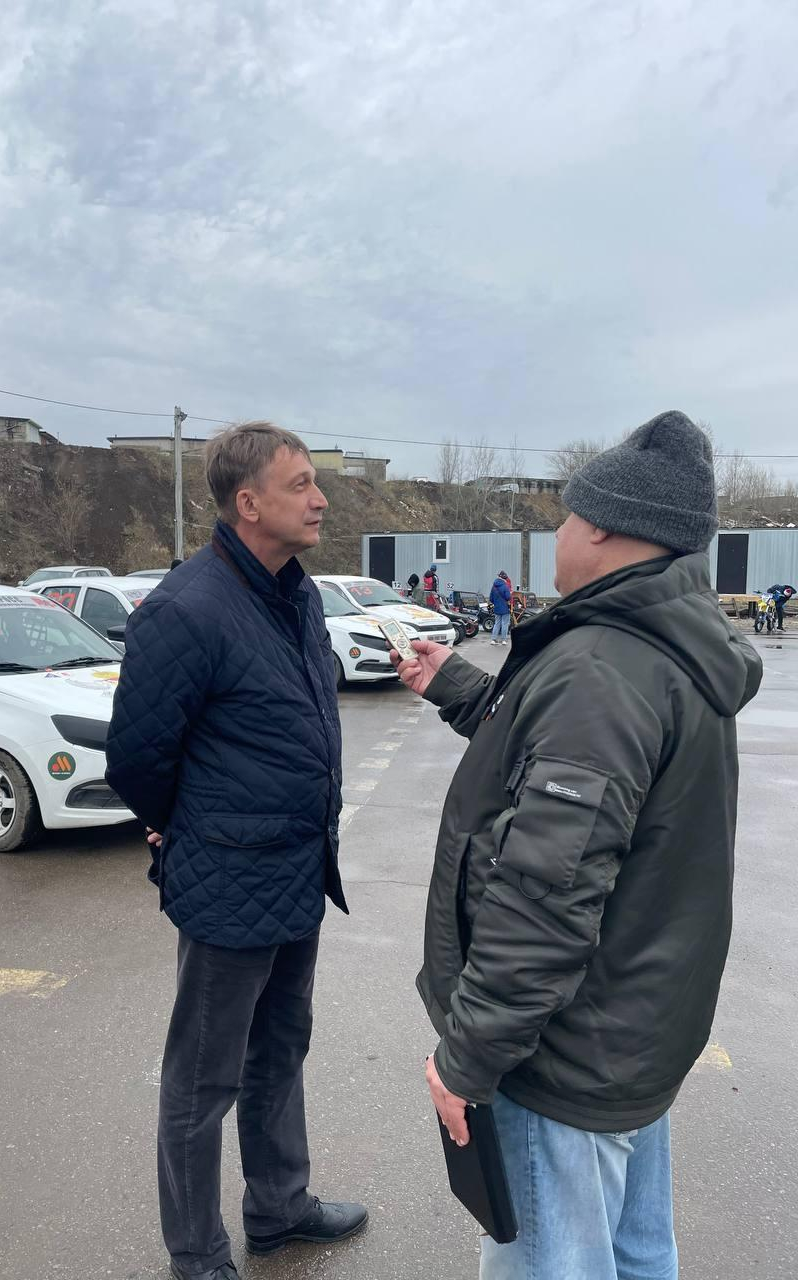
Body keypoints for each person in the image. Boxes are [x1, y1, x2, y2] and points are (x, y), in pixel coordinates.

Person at [390, 411, 762, 1280]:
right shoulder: (663, 648)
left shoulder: (600, 670)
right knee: (635, 1257)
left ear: (601, 526)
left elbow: (543, 897)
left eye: (565, 515)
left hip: (561, 1057)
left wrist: (468, 1059)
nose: (557, 533)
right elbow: (573, 777)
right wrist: (459, 688)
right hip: (632, 1034)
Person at [105, 422, 367, 1280]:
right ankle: (197, 1254)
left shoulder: (298, 594)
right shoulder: (185, 608)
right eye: (300, 485)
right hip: (227, 879)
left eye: (316, 483)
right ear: (248, 503)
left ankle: (279, 1209)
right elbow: (137, 757)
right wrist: (183, 824)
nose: (319, 500)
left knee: (280, 1049)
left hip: (297, 869)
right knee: (201, 1080)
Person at [488, 571, 512, 645]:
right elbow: (508, 597)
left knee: (497, 623)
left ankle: (493, 639)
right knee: (505, 624)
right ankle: (503, 640)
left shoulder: (494, 586)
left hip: (497, 608)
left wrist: (496, 603)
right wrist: (510, 594)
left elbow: (491, 598)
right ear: (504, 578)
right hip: (505, 608)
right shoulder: (505, 586)